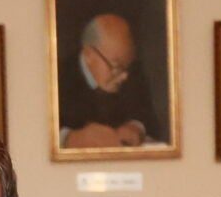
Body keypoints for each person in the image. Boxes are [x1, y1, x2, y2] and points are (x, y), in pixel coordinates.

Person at [58, 13, 165, 149]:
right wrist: (68, 138)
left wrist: (136, 127)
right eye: (116, 66)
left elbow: (150, 120)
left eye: (127, 66)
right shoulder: (59, 77)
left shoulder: (133, 71)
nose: (124, 76)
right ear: (89, 53)